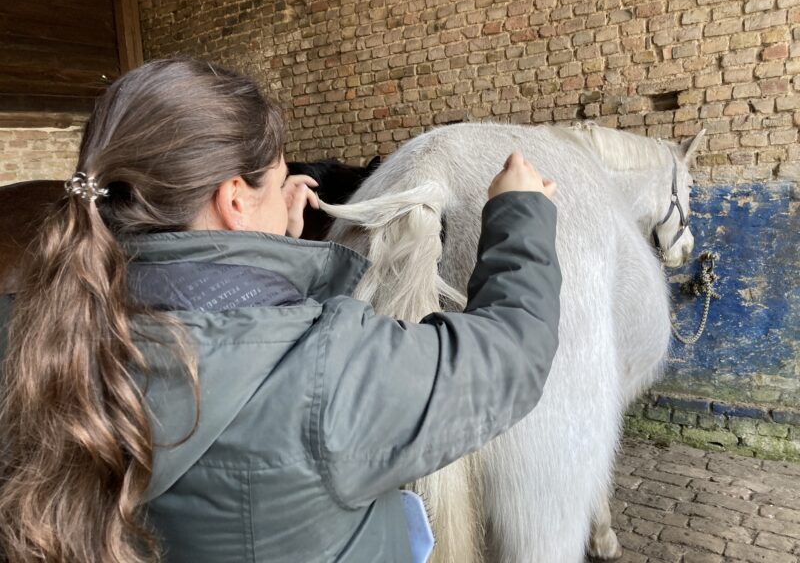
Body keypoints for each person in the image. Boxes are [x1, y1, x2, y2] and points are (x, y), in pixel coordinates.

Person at [0, 58, 561, 563]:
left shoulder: (29, 332)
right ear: (235, 199)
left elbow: (232, 326)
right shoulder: (328, 373)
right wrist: (521, 210)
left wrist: (275, 254)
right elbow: (514, 351)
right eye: (276, 175)